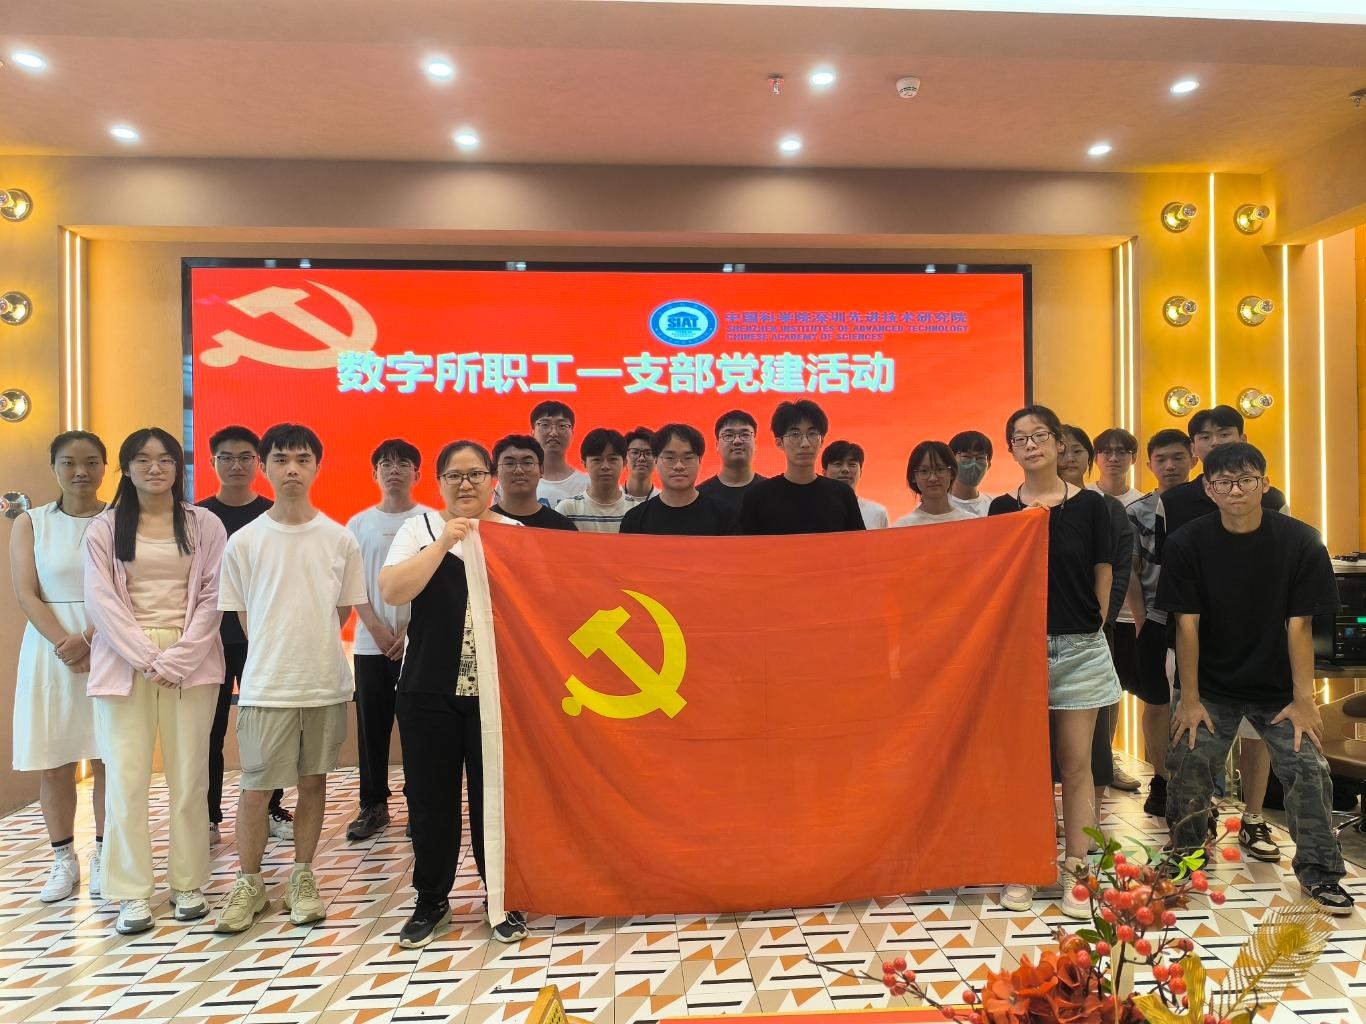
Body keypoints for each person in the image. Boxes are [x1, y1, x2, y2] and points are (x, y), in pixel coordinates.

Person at [1160, 442, 1353, 916]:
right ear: (1208, 489)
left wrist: (1305, 699)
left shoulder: (1301, 541)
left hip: (1278, 690)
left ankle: (1320, 873)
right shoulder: (1186, 543)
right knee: (1188, 760)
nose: (1236, 491)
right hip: (1212, 686)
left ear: (1265, 484)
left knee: (1309, 770)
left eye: (1246, 480)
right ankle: (1185, 856)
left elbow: (1299, 625)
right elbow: (1187, 625)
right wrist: (1190, 698)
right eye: (1224, 482)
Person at [212, 424, 368, 934]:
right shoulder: (244, 541)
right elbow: (242, 617)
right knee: (256, 789)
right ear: (265, 467)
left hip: (323, 682)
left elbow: (342, 609)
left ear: (318, 466)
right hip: (265, 685)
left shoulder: (340, 538)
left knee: (313, 783)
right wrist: (277, 650)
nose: (292, 469)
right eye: (281, 459)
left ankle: (303, 876)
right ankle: (250, 883)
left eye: (303, 459)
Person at [379, 440, 528, 947]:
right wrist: (443, 542)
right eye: (454, 475)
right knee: (430, 800)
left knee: (496, 800)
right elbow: (393, 590)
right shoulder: (419, 529)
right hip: (427, 689)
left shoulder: (514, 534)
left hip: (496, 694)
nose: (466, 484)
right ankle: (431, 900)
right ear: (439, 482)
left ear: (492, 480)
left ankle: (501, 898)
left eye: (476, 474)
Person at [84, 428, 227, 934]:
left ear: (178, 467)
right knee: (126, 779)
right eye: (143, 460)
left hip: (193, 660)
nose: (155, 468)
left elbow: (214, 594)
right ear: (126, 468)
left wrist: (179, 657)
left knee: (190, 776)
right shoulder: (104, 527)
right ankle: (131, 892)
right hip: (124, 660)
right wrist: (149, 657)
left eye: (165, 459)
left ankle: (188, 883)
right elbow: (100, 601)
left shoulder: (204, 523)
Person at [989, 406, 1119, 920]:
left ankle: (1077, 869)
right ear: (1011, 450)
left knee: (1076, 762)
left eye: (1039, 434)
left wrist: (1095, 619)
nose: (1031, 444)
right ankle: (1026, 863)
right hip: (1020, 651)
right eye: (1019, 438)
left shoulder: (1091, 506)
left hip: (1080, 648)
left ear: (1059, 442)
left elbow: (1103, 569)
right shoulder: (1002, 507)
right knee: (1026, 765)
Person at [1157, 405, 1286, 863]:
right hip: (1192, 641)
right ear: (1194, 448)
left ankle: (1253, 817)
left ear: (1243, 438)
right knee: (1192, 734)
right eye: (1206, 437)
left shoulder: (1271, 497)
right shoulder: (1172, 501)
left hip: (1258, 643)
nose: (1216, 443)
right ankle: (1197, 823)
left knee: (1256, 735)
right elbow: (1164, 573)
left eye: (1225, 434)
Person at [10, 430, 108, 903]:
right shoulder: (31, 522)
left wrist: (88, 639)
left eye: (91, 462)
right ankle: (63, 859)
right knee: (55, 761)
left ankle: (107, 855)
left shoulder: (118, 518)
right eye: (69, 463)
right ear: (54, 468)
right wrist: (65, 643)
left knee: (110, 757)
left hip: (108, 641)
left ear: (105, 467)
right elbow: (26, 592)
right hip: (50, 648)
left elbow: (128, 588)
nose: (80, 471)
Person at [197, 425, 293, 845]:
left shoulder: (276, 514)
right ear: (213, 462)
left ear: (259, 463)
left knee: (269, 729)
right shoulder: (197, 517)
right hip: (209, 641)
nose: (236, 465)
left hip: (263, 641)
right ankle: (208, 816)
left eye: (245, 457)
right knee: (210, 731)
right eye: (226, 457)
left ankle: (271, 808)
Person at [344, 439, 434, 842]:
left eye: (403, 463)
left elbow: (434, 582)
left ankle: (419, 805)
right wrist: (377, 628)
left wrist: (411, 631)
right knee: (371, 729)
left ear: (417, 473)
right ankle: (373, 805)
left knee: (419, 727)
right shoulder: (358, 524)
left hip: (421, 643)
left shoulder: (430, 521)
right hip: (371, 643)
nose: (394, 470)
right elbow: (352, 584)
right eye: (385, 463)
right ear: (374, 473)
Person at [1125, 429, 1194, 817]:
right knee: (1156, 702)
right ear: (1149, 464)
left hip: (1201, 622)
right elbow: (1132, 572)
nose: (1170, 466)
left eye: (1178, 457)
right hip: (1155, 618)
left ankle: (1197, 782)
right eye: (1161, 459)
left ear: (1193, 459)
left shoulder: (1210, 503)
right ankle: (1162, 779)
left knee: (1198, 702)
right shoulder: (1136, 511)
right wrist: (1141, 620)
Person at [1087, 427, 1146, 794]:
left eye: (1122, 451)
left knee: (1115, 691)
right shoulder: (1085, 499)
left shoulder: (1144, 503)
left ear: (1133, 458)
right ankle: (1089, 761)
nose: (1113, 457)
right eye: (1106, 451)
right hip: (1095, 618)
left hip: (1133, 618)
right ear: (1096, 458)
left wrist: (1142, 617)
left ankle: (1106, 759)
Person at [739, 400, 865, 536]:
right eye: (795, 434)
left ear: (822, 441)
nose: (805, 443)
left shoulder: (843, 494)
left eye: (812, 434)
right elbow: (748, 548)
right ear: (779, 443)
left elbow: (859, 545)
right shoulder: (757, 497)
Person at [620, 423, 739, 536]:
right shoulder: (635, 519)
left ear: (700, 461)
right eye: (670, 458)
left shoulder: (724, 516)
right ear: (655, 461)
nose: (679, 466)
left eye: (688, 458)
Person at [555, 428, 641, 532]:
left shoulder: (638, 512)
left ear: (624, 463)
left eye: (612, 459)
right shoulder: (567, 509)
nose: (605, 466)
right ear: (584, 463)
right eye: (597, 459)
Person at [490, 435, 577, 530]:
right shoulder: (483, 523)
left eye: (527, 463)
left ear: (541, 470)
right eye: (509, 463)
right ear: (496, 472)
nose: (519, 470)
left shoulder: (563, 527)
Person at [894, 441, 977, 527]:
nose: (933, 478)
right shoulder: (902, 527)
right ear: (913, 477)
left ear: (952, 473)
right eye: (924, 471)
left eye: (940, 469)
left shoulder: (971, 523)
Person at [698, 410, 765, 515]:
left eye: (745, 435)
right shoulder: (700, 497)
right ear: (717, 445)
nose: (737, 441)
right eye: (729, 435)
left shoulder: (772, 492)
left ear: (755, 444)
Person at [530, 401, 589, 507]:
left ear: (572, 434)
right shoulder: (514, 482)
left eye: (562, 426)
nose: (553, 433)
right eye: (545, 425)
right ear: (532, 433)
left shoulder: (588, 484)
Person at [821, 440, 889, 529]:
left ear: (861, 472)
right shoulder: (813, 510)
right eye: (838, 464)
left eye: (852, 464)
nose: (845, 469)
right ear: (824, 473)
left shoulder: (877, 513)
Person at [948, 430, 995, 517]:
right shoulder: (935, 506)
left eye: (980, 458)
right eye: (966, 456)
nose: (973, 463)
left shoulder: (996, 506)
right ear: (951, 461)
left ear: (988, 465)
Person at [623, 426, 659, 501]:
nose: (641, 458)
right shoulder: (611, 497)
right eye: (635, 452)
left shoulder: (664, 500)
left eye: (648, 453)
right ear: (625, 458)